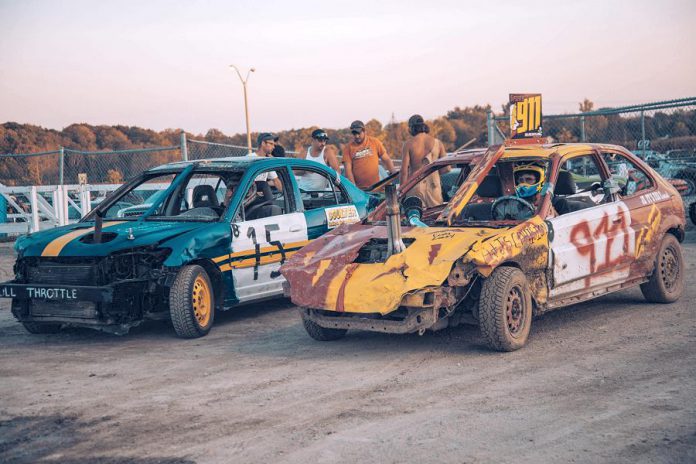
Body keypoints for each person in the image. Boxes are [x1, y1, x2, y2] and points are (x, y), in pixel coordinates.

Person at [400, 114, 450, 208]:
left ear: (411, 128)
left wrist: (402, 193)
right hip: (434, 186)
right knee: (434, 216)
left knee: (415, 216)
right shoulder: (438, 143)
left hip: (415, 186)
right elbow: (447, 169)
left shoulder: (408, 144)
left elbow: (404, 172)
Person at [342, 120, 395, 190]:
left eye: (358, 133)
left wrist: (393, 173)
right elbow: (348, 171)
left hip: (377, 188)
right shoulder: (348, 148)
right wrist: (354, 189)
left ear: (364, 131)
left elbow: (387, 160)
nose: (357, 136)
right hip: (360, 190)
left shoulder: (375, 142)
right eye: (354, 134)